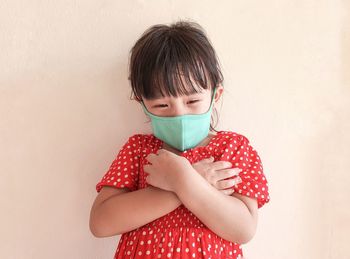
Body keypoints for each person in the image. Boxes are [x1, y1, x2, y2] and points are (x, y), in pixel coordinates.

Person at [89, 20, 270, 259]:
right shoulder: (139, 150)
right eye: (162, 105)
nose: (179, 114)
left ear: (216, 95)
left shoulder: (233, 149)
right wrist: (184, 182)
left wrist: (183, 179)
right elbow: (101, 222)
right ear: (142, 105)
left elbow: (243, 229)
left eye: (192, 101)